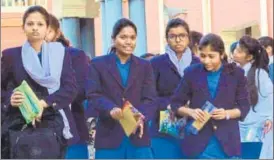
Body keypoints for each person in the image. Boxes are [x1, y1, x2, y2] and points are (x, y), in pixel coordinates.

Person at [1, 6, 78, 158]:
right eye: (30, 24)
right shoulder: (11, 55)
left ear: (47, 28)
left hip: (52, 122)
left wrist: (44, 103)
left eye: (40, 24)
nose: (35, 28)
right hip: (18, 125)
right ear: (23, 27)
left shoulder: (60, 54)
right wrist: (10, 98)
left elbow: (70, 89)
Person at [86, 18, 157, 159]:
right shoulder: (98, 64)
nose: (128, 42)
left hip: (138, 136)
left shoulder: (145, 66)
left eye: (132, 38)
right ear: (113, 39)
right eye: (123, 37)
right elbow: (93, 94)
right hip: (109, 137)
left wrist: (141, 117)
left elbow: (150, 98)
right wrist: (110, 108)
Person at [170, 33, 250, 159]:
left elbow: (244, 106)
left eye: (211, 56)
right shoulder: (191, 73)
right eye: (202, 56)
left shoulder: (236, 74)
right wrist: (191, 112)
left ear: (222, 54)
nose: (206, 61)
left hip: (227, 143)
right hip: (198, 143)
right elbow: (175, 103)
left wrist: (227, 114)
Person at [149, 18, 200, 159]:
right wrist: (173, 105)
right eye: (173, 36)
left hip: (192, 126)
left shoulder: (198, 64)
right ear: (167, 39)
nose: (178, 40)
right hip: (164, 128)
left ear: (188, 38)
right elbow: (149, 96)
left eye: (182, 36)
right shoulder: (156, 63)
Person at [45, 14, 90, 159]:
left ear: (57, 32)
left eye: (47, 30)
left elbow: (82, 90)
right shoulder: (26, 59)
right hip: (39, 135)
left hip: (72, 132)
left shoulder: (74, 55)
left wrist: (49, 99)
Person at [233, 35, 273, 159]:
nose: (234, 52)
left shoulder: (260, 75)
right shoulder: (235, 72)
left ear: (249, 57)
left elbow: (270, 102)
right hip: (240, 126)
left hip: (258, 129)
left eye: (239, 51)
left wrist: (269, 118)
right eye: (235, 49)